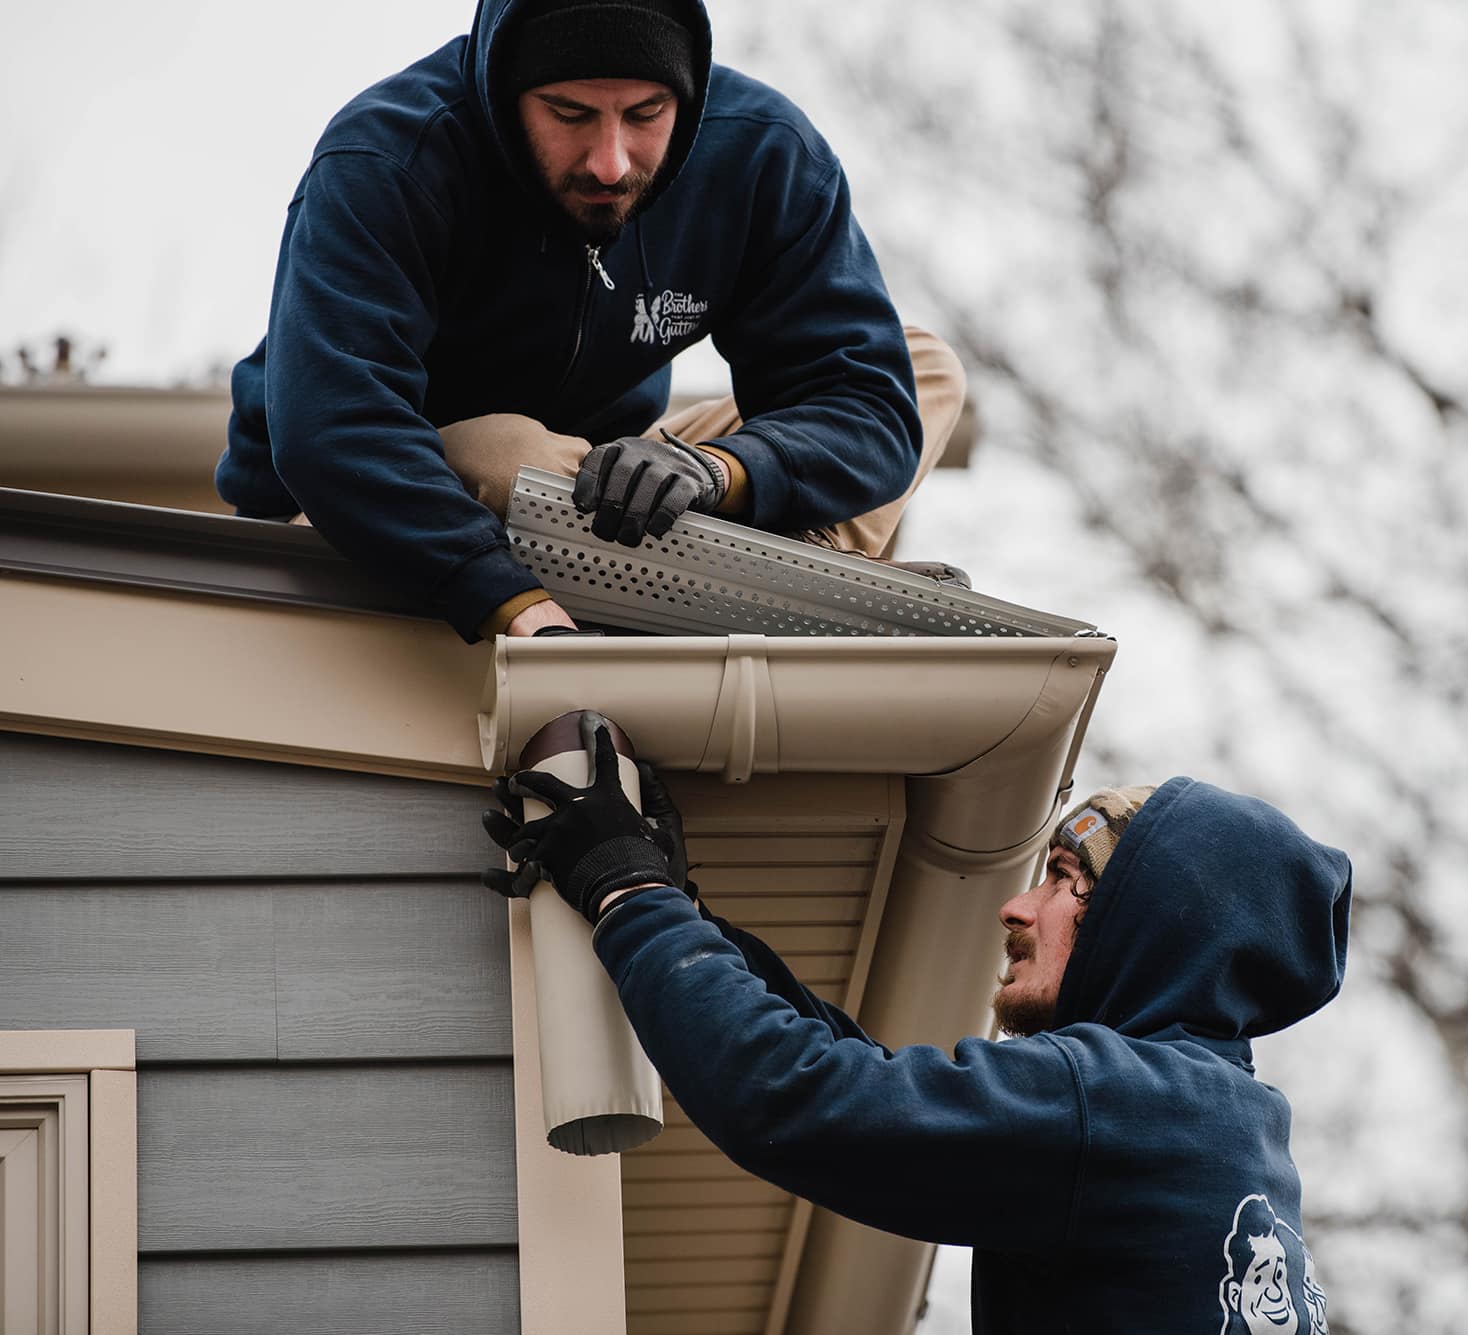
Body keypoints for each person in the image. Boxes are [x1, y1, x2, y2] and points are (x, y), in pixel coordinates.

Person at [481, 715, 1352, 1333]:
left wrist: (628, 895)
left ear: (1152, 921)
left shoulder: (1128, 1104)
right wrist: (689, 914)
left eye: (1059, 878)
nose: (1015, 906)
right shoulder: (1224, 1127)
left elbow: (799, 1095)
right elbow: (870, 1074)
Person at [216, 0, 963, 643]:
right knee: (511, 450)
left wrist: (715, 473)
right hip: (389, 509)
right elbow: (334, 431)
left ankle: (785, 578)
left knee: (925, 367)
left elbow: (864, 400)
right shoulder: (389, 159)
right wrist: (507, 599)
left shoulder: (765, 155)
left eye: (645, 115)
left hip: (608, 489)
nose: (610, 162)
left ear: (688, 94)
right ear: (506, 92)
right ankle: (676, 579)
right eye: (569, 115)